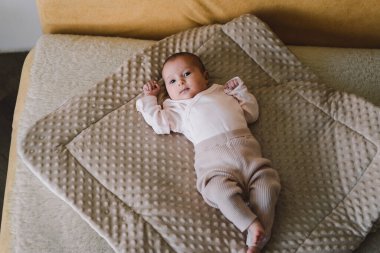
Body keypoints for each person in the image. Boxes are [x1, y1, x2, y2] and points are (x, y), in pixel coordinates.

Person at [136, 52, 281, 253]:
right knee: (218, 191)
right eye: (172, 81)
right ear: (167, 91)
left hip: (250, 156)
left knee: (268, 186)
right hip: (215, 164)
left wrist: (240, 92)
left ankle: (258, 238)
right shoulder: (176, 108)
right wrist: (150, 99)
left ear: (205, 76)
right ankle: (249, 223)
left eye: (187, 73)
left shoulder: (223, 92)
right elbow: (159, 123)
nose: (180, 82)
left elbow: (251, 113)